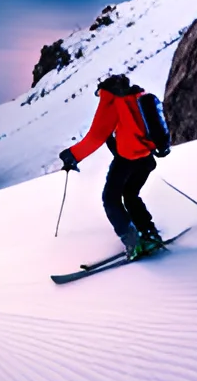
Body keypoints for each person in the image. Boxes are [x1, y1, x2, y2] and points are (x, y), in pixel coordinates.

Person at [58, 73, 170, 260]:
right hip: (146, 159)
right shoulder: (138, 96)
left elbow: (96, 136)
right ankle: (149, 233)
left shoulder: (112, 101)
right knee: (131, 195)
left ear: (105, 90)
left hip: (127, 160)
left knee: (110, 199)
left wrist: (72, 156)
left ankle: (132, 241)